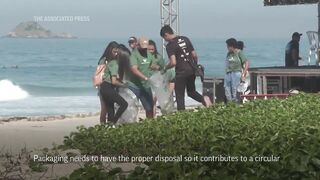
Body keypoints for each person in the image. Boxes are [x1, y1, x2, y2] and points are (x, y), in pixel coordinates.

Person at [160, 25, 209, 111]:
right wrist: (195, 66)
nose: (165, 40)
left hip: (181, 72)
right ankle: (203, 99)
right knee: (191, 92)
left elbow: (173, 62)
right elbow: (195, 55)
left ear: (166, 34)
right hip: (191, 70)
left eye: (164, 38)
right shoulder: (185, 39)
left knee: (180, 96)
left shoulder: (170, 45)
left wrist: (165, 68)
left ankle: (182, 116)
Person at [99, 42, 128, 124]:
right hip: (108, 87)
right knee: (124, 104)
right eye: (114, 52)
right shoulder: (114, 63)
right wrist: (124, 85)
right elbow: (114, 81)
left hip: (102, 88)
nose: (116, 54)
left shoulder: (103, 60)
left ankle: (109, 127)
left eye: (117, 52)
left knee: (110, 111)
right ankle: (114, 122)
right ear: (110, 51)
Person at [126, 37, 155, 118]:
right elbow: (134, 70)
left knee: (149, 108)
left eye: (146, 48)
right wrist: (145, 77)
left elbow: (151, 65)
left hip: (146, 86)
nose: (144, 50)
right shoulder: (134, 55)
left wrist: (158, 68)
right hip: (134, 86)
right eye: (142, 48)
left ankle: (150, 125)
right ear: (137, 45)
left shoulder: (148, 54)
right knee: (132, 109)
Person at [148, 40, 175, 116]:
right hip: (148, 81)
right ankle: (152, 118)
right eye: (148, 49)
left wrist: (157, 67)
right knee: (151, 102)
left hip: (158, 82)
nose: (150, 51)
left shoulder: (158, 57)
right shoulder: (144, 58)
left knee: (159, 101)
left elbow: (163, 69)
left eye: (152, 49)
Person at [224, 38, 249, 102]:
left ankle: (236, 104)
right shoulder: (228, 54)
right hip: (228, 73)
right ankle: (229, 103)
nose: (227, 48)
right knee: (227, 89)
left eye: (228, 46)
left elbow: (246, 62)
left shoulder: (239, 52)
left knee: (235, 89)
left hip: (236, 73)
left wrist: (243, 74)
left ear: (232, 46)